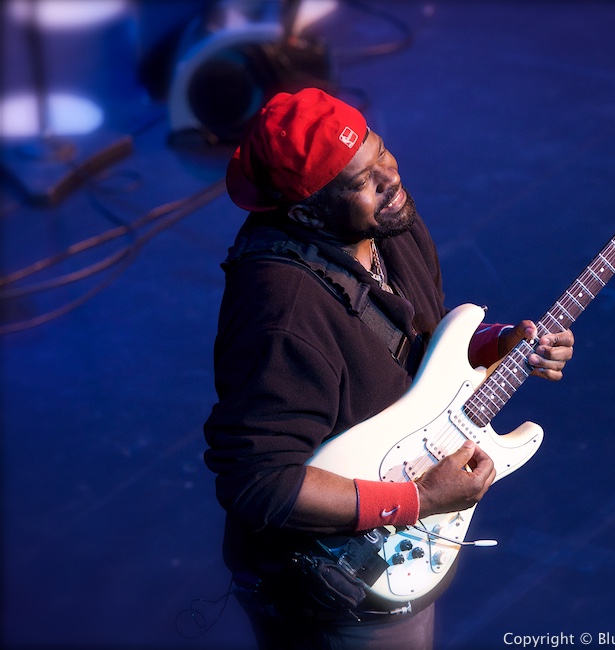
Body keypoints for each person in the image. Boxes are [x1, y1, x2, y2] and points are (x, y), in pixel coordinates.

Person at [203, 87, 574, 649]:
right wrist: (421, 501)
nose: (390, 179)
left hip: (390, 540)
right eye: (361, 180)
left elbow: (414, 346)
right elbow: (259, 482)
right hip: (337, 578)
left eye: (381, 152)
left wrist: (501, 343)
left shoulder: (386, 224)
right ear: (306, 211)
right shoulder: (282, 314)